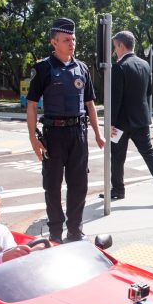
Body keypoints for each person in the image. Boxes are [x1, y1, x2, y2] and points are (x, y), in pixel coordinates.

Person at [27, 17, 105, 243]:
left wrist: (97, 133)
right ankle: (55, 233)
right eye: (66, 40)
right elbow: (31, 105)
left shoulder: (82, 68)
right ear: (54, 42)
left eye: (73, 39)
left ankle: (75, 230)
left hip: (78, 133)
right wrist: (33, 138)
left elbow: (90, 104)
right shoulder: (43, 68)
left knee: (79, 185)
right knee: (52, 185)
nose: (72, 44)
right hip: (54, 135)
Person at [106, 30, 153, 203]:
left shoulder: (119, 66)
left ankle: (118, 190)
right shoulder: (145, 65)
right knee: (149, 153)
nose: (115, 51)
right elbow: (148, 92)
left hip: (121, 122)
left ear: (121, 45)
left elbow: (115, 98)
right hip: (141, 119)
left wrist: (110, 122)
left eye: (115, 47)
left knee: (117, 156)